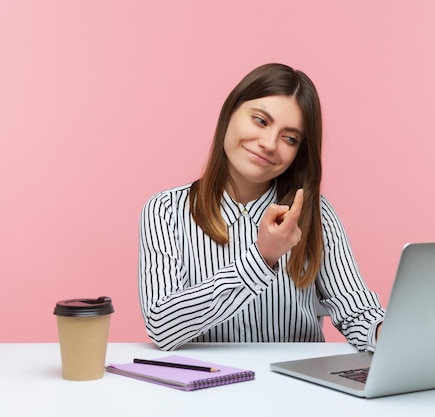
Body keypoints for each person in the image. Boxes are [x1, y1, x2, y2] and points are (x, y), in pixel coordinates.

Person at [138, 63, 385, 351]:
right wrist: (263, 257)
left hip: (295, 391)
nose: (269, 144)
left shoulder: (314, 214)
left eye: (289, 138)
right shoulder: (165, 211)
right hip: (205, 389)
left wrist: (388, 333)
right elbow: (162, 325)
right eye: (260, 121)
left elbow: (357, 310)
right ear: (230, 113)